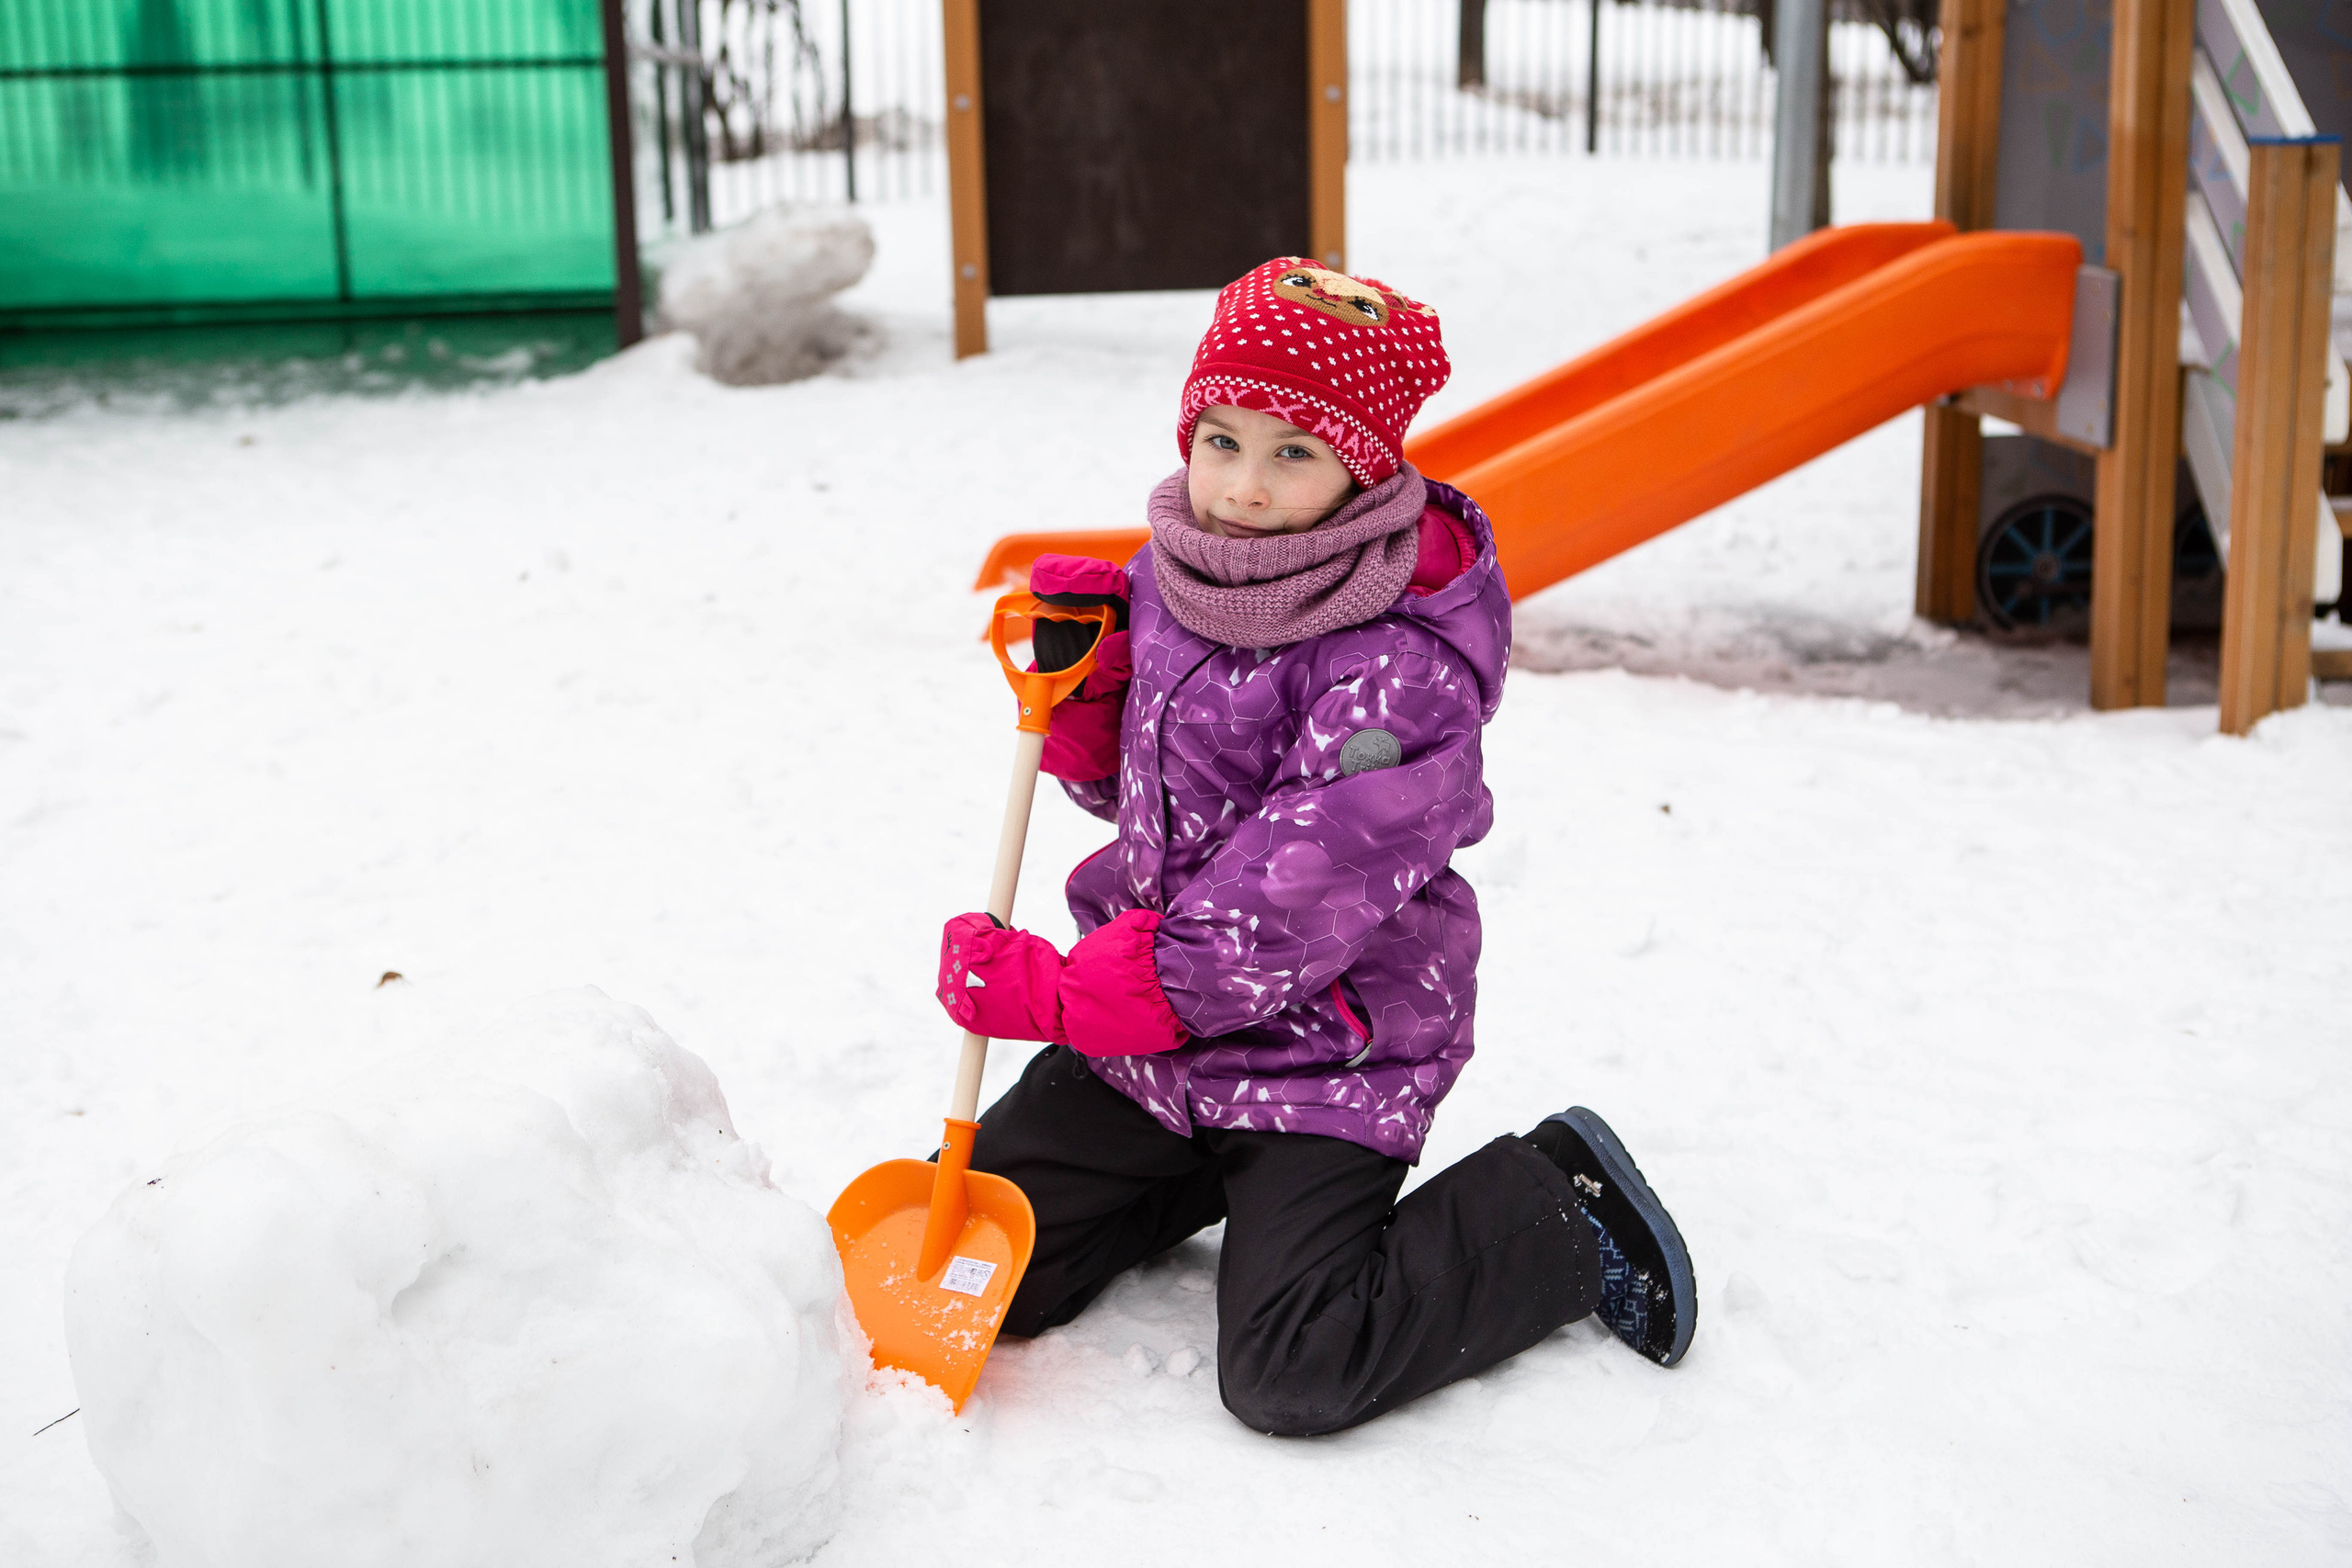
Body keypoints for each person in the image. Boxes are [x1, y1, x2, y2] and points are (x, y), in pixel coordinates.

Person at [933, 258, 1695, 1437]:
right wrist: (1090, 717)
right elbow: (1155, 812)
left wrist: (1074, 996)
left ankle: (1554, 1207)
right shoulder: (1172, 574)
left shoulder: (1403, 661)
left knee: (1296, 1366)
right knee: (990, 1266)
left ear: (1366, 465)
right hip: (1166, 1052)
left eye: (1294, 453)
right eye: (1221, 439)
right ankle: (1193, 1166)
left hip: (1318, 1055)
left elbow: (1296, 888)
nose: (1241, 486)